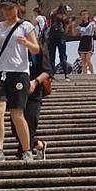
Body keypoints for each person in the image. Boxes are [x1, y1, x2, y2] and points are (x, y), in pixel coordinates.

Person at [0, 0, 41, 161]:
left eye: (10, 7)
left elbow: (36, 49)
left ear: (17, 7)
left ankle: (27, 150)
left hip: (19, 73)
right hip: (0, 72)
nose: (6, 10)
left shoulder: (26, 26)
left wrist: (27, 43)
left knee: (17, 113)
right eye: (4, 7)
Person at [24, 30, 53, 159]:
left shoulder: (38, 52)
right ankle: (39, 145)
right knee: (16, 126)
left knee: (30, 122)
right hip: (17, 93)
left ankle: (25, 151)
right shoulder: (14, 52)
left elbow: (48, 71)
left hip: (34, 93)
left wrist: (35, 82)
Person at [47, 5, 72, 77]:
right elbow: (66, 31)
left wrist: (58, 7)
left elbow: (50, 12)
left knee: (52, 56)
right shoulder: (66, 18)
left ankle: (52, 74)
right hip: (61, 38)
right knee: (63, 56)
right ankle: (66, 74)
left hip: (52, 38)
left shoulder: (53, 15)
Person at [76, 10, 96, 75]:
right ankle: (85, 74)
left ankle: (92, 73)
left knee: (88, 59)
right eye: (82, 15)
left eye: (85, 14)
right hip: (82, 41)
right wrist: (73, 25)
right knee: (83, 59)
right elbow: (75, 33)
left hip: (89, 40)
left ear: (88, 15)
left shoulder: (91, 23)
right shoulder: (80, 25)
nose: (84, 16)